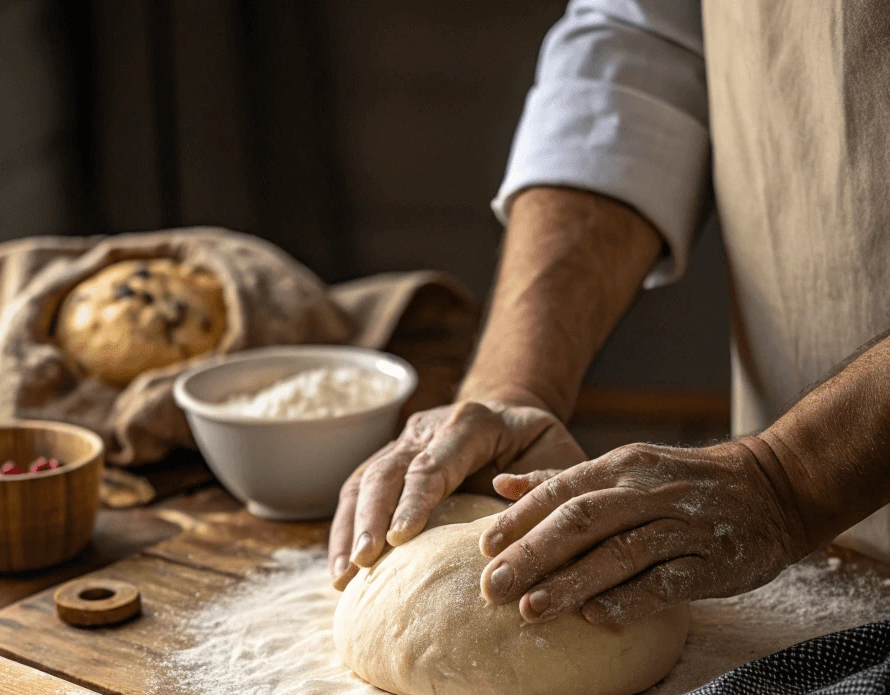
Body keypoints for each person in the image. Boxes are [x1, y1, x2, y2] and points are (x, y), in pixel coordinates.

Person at [328, 0, 890, 627]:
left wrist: (789, 480)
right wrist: (515, 385)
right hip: (771, 559)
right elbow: (642, 44)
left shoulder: (779, 485)